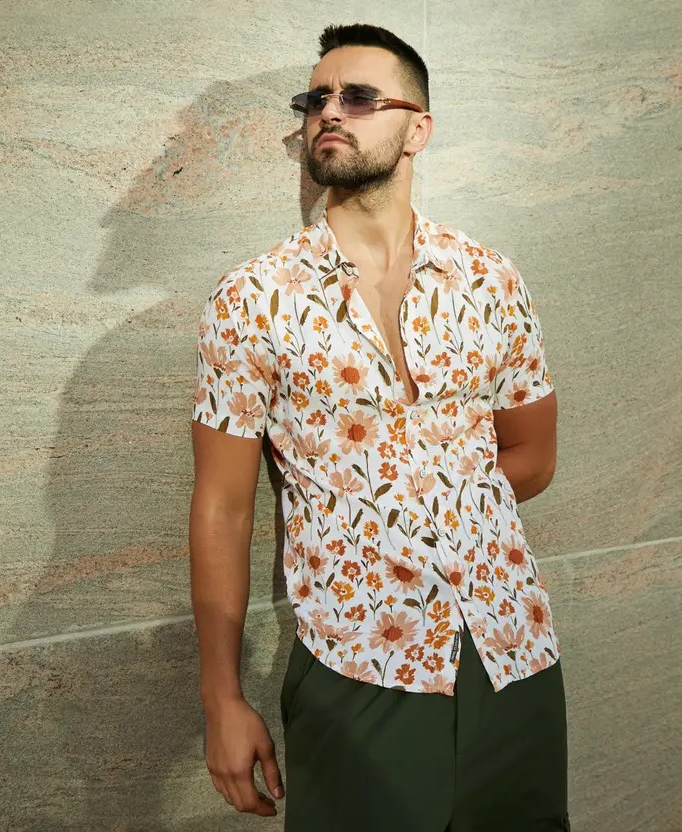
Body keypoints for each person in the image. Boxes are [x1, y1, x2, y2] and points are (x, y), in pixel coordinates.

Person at [188, 22, 570, 832]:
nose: (330, 111)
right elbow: (222, 508)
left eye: (359, 96)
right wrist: (222, 697)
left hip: (513, 649)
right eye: (315, 99)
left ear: (416, 129)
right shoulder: (252, 298)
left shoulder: (488, 278)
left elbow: (532, 454)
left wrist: (435, 510)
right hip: (357, 665)